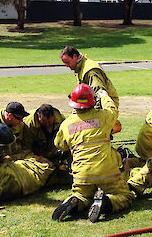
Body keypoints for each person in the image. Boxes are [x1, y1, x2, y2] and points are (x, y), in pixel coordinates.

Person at [52, 84, 134, 223]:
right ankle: (106, 203)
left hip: (82, 175)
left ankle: (74, 202)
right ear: (93, 101)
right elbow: (112, 109)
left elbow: (59, 144)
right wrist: (104, 96)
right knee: (124, 195)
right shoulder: (103, 117)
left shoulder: (66, 124)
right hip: (107, 172)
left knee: (82, 195)